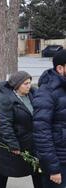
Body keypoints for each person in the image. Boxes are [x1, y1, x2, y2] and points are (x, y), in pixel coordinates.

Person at [0, 71, 42, 188]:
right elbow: (5, 124)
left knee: (36, 169)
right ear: (17, 85)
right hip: (15, 142)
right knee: (6, 169)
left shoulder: (33, 95)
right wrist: (13, 144)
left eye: (30, 83)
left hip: (32, 141)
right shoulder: (7, 100)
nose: (29, 86)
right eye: (25, 83)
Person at [33, 51, 66, 187]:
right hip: (58, 162)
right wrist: (53, 169)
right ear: (60, 68)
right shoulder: (46, 93)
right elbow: (42, 134)